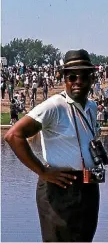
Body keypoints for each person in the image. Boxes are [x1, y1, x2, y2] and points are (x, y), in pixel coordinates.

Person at [4, 49, 102, 241]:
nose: (78, 81)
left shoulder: (91, 107)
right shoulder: (54, 106)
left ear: (92, 78)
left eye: (83, 76)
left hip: (88, 185)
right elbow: (14, 135)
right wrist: (42, 171)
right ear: (64, 78)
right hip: (60, 185)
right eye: (72, 76)